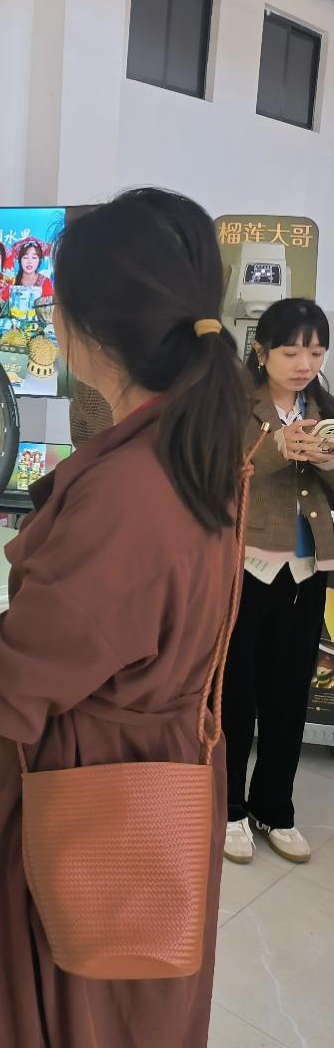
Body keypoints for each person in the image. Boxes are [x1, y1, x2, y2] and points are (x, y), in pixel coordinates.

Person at [0, 189, 250, 1048]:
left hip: (92, 789)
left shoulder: (129, 490)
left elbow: (27, 665)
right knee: (136, 1006)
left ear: (84, 328)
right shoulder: (192, 446)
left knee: (76, 1002)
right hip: (155, 769)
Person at [222, 298, 334, 866]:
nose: (304, 364)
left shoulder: (324, 408)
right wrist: (275, 449)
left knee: (290, 696)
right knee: (235, 694)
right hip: (246, 567)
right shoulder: (234, 405)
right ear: (262, 352)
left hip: (306, 570)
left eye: (316, 352)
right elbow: (215, 475)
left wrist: (329, 462)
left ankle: (275, 808)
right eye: (291, 351)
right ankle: (229, 809)